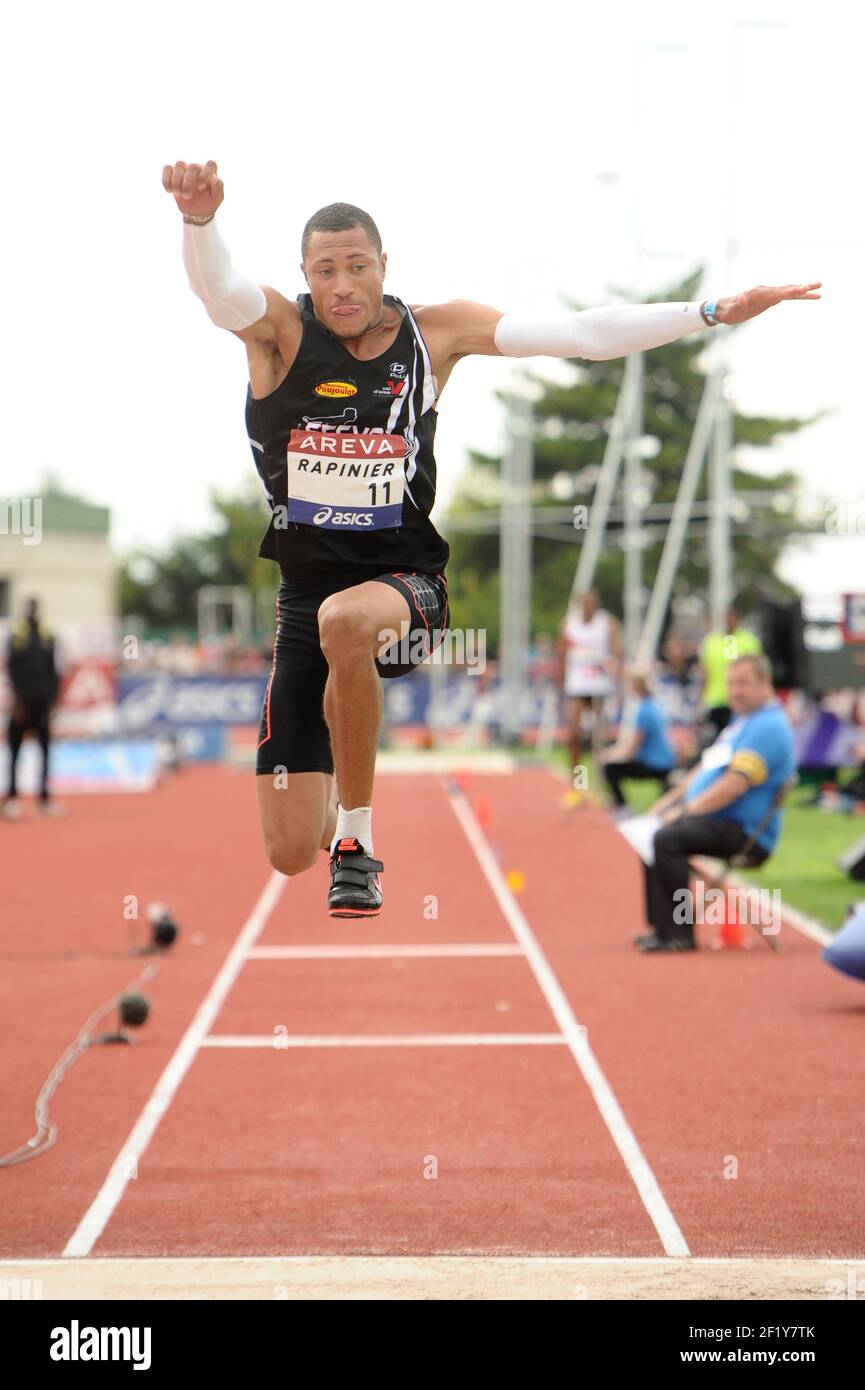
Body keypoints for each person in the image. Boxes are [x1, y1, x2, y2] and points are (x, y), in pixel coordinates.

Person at [163, 156, 819, 918]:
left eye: (357, 266)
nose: (341, 286)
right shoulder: (278, 332)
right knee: (284, 849)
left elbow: (579, 334)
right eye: (324, 272)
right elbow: (220, 293)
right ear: (304, 276)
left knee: (351, 622)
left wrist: (707, 312)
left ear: (383, 265)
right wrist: (200, 221)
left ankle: (356, 842)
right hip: (302, 608)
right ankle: (330, 808)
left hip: (407, 590)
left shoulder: (434, 334)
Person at [635, 653, 795, 953]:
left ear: (765, 683)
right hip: (719, 822)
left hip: (745, 832)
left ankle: (679, 934)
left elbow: (733, 787)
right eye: (731, 683)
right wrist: (666, 804)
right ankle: (662, 928)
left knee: (668, 837)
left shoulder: (768, 727)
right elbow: (704, 769)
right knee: (652, 829)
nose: (735, 691)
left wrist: (683, 812)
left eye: (743, 683)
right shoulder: (743, 721)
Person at [3, 599, 61, 819]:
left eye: (36, 608)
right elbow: (11, 670)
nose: (33, 613)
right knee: (14, 752)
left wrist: (53, 701)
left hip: (42, 704)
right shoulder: (17, 637)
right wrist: (16, 702)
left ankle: (44, 799)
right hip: (21, 703)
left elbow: (53, 671)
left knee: (45, 753)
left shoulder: (47, 636)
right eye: (30, 608)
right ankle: (12, 800)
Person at [557, 591, 622, 777]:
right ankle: (578, 780)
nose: (588, 607)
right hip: (577, 685)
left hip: (600, 684)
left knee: (598, 736)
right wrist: (560, 682)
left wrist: (615, 668)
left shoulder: (606, 623)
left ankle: (600, 778)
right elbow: (560, 654)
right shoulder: (569, 624)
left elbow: (617, 651)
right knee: (573, 734)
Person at [599, 669, 676, 814]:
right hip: (667, 760)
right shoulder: (654, 706)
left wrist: (610, 756)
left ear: (635, 687)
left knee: (610, 767)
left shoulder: (643, 711)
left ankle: (622, 808)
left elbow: (632, 748)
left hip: (655, 764)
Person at [699, 606, 762, 742]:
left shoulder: (749, 640)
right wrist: (702, 699)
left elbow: (758, 671)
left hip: (742, 700)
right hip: (716, 701)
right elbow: (705, 672)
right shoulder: (711, 642)